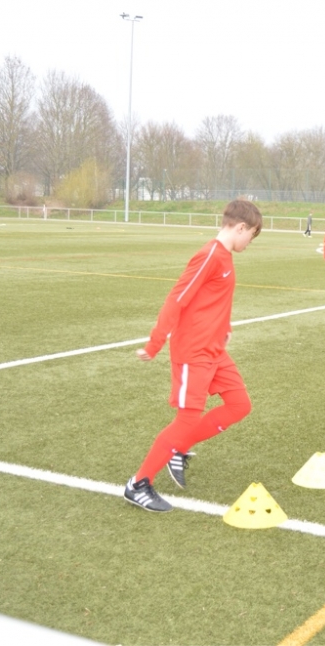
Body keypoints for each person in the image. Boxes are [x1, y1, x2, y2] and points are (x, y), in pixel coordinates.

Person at [123, 199, 263, 513]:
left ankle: (178, 449)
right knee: (187, 419)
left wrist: (225, 328)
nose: (249, 243)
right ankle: (138, 484)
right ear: (241, 227)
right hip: (194, 352)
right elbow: (177, 298)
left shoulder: (225, 256)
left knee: (240, 405)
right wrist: (154, 344)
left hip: (215, 350)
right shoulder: (210, 254)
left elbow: (214, 300)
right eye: (251, 236)